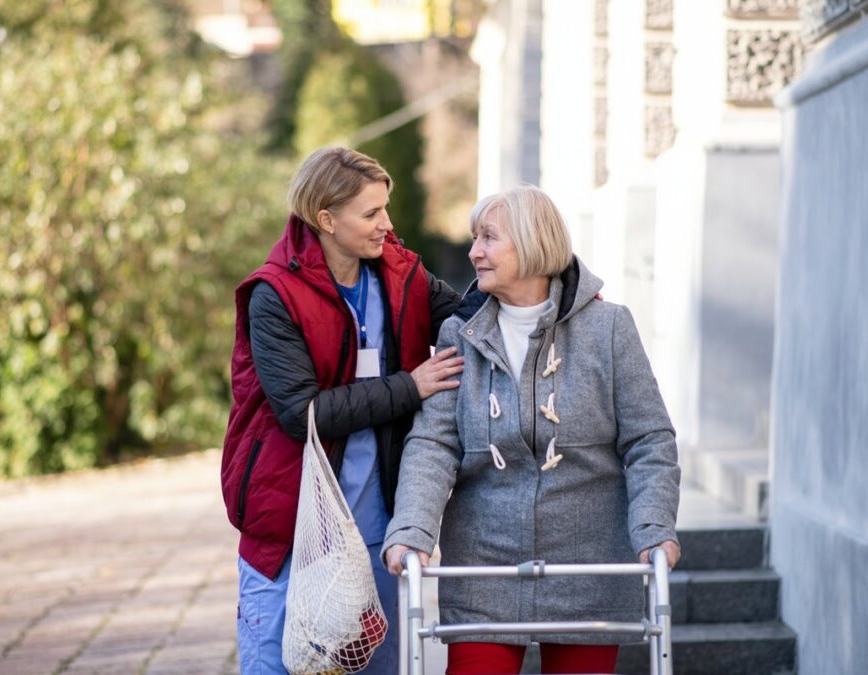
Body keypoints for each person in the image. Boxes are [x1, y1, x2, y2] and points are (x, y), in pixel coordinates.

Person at [383, 185, 682, 675]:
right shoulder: (460, 334)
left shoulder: (608, 328)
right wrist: (413, 528)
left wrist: (653, 527)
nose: (474, 251)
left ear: (533, 242)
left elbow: (648, 439)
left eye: (488, 238)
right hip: (484, 566)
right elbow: (434, 443)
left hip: (587, 566)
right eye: (474, 238)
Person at [221, 146, 463, 674]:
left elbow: (469, 313)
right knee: (279, 665)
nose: (387, 224)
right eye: (371, 213)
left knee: (376, 664)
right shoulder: (274, 295)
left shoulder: (400, 273)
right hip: (288, 524)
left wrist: (558, 293)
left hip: (375, 523)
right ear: (326, 220)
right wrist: (411, 386)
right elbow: (302, 412)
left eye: (386, 208)